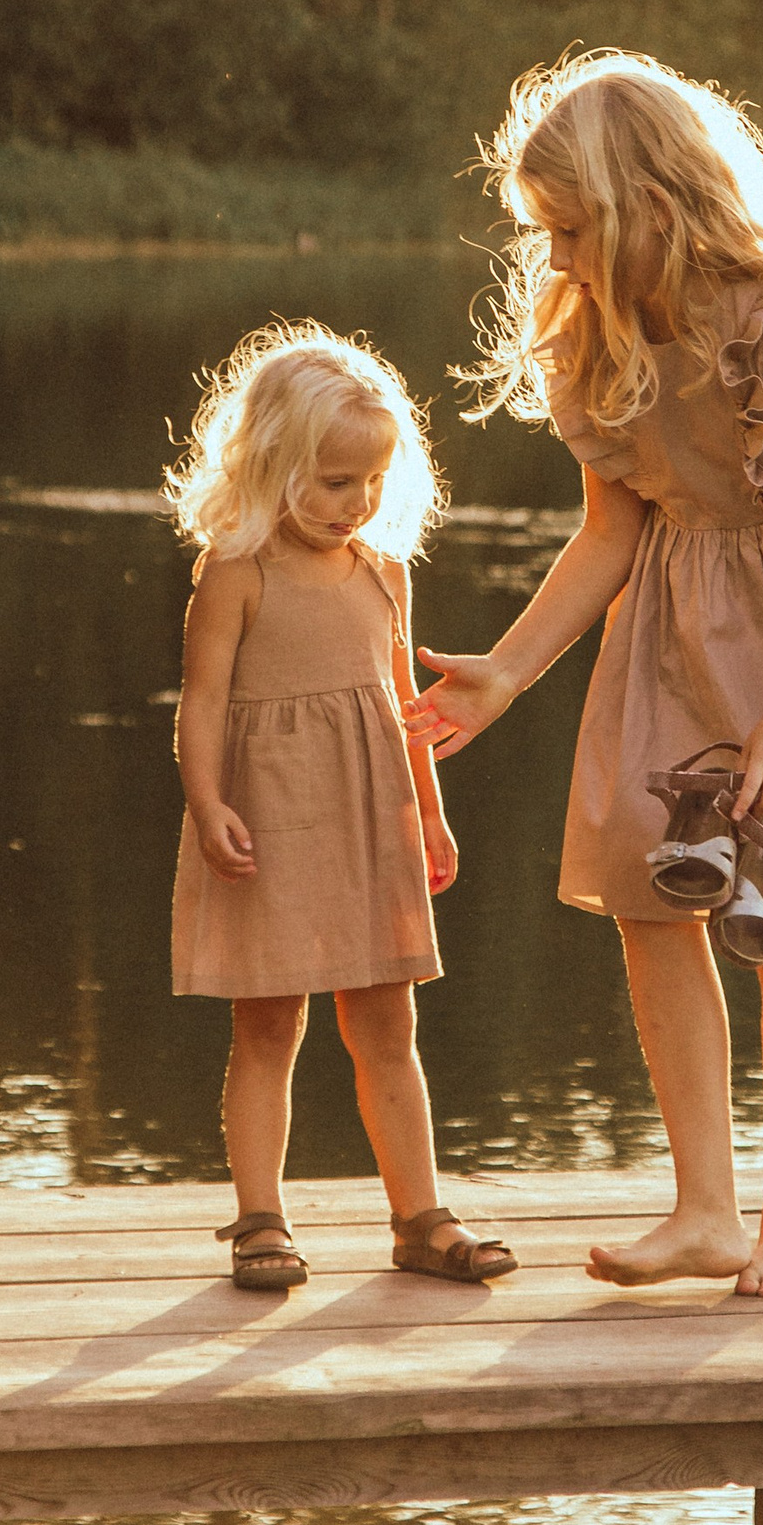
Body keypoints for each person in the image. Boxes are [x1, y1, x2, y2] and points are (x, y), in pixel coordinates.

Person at [407, 55, 763, 1300]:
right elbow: (610, 531)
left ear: (646, 206)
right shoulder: (592, 334)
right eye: (544, 235)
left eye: (569, 231)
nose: (552, 259)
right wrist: (504, 673)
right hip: (678, 614)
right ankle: (705, 1207)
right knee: (646, 889)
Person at [169, 322, 515, 1294]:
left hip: (373, 817)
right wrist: (206, 803)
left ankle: (420, 1215)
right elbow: (199, 702)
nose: (353, 502)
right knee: (267, 1027)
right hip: (266, 819)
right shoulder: (236, 569)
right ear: (272, 462)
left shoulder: (383, 570)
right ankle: (259, 1219)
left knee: (386, 1026)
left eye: (369, 481)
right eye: (331, 481)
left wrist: (433, 814)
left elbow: (406, 708)